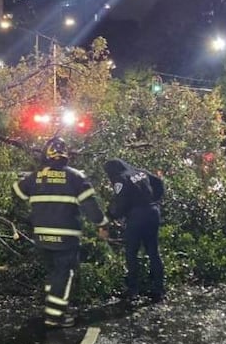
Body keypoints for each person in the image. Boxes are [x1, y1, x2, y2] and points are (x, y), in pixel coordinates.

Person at [13, 136, 108, 328]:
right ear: (66, 154)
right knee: (64, 275)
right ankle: (55, 316)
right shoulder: (76, 177)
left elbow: (17, 191)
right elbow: (91, 207)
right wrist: (102, 224)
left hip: (42, 237)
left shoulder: (36, 176)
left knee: (54, 274)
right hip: (66, 238)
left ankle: (53, 307)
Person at [103, 158, 165, 305]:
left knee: (131, 253)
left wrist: (111, 215)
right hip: (153, 212)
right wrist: (154, 200)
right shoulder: (140, 171)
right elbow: (159, 183)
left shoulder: (120, 178)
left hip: (137, 216)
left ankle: (133, 291)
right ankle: (159, 290)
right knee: (153, 251)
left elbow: (121, 202)